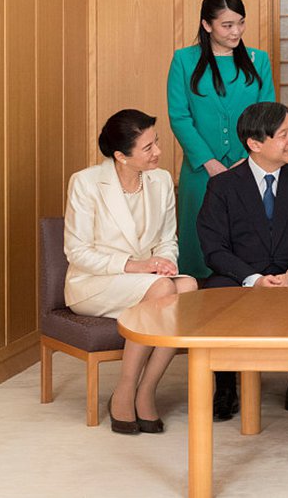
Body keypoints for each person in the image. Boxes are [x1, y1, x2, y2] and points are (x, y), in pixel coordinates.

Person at [63, 109, 198, 434]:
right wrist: (137, 267)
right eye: (148, 147)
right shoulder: (86, 183)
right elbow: (77, 251)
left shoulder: (161, 179)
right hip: (95, 283)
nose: (159, 152)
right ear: (121, 156)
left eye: (157, 142)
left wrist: (164, 262)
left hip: (146, 281)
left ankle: (146, 389)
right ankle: (125, 390)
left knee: (189, 286)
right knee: (164, 291)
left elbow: (168, 239)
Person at [197, 102, 288, 422]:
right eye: (283, 134)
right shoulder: (222, 185)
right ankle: (226, 387)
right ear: (255, 143)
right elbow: (213, 248)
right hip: (241, 277)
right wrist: (253, 278)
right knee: (216, 290)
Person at [167, 0, 274, 278]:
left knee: (247, 248)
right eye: (227, 25)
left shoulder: (258, 60)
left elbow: (267, 115)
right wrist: (209, 162)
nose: (236, 31)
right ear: (206, 24)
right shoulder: (184, 60)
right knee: (199, 249)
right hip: (200, 171)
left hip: (249, 168)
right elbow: (179, 116)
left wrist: (246, 160)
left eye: (240, 22)